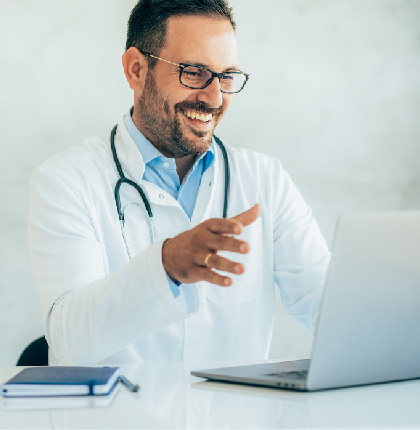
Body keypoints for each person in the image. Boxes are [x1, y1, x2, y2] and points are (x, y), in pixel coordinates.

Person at [28, 0, 330, 366]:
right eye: (195, 73)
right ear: (136, 69)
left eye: (226, 77)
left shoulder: (265, 179)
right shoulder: (66, 181)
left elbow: (328, 308)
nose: (215, 98)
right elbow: (67, 341)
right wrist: (165, 265)